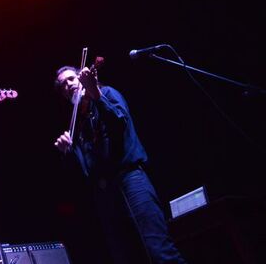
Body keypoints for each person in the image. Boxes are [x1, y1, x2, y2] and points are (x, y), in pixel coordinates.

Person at [54, 65, 187, 264]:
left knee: (158, 251)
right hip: (105, 194)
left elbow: (119, 122)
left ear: (81, 79)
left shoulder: (106, 93)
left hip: (129, 180)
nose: (68, 85)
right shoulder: (77, 124)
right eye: (63, 84)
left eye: (71, 79)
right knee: (125, 257)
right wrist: (68, 152)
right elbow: (85, 172)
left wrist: (95, 93)